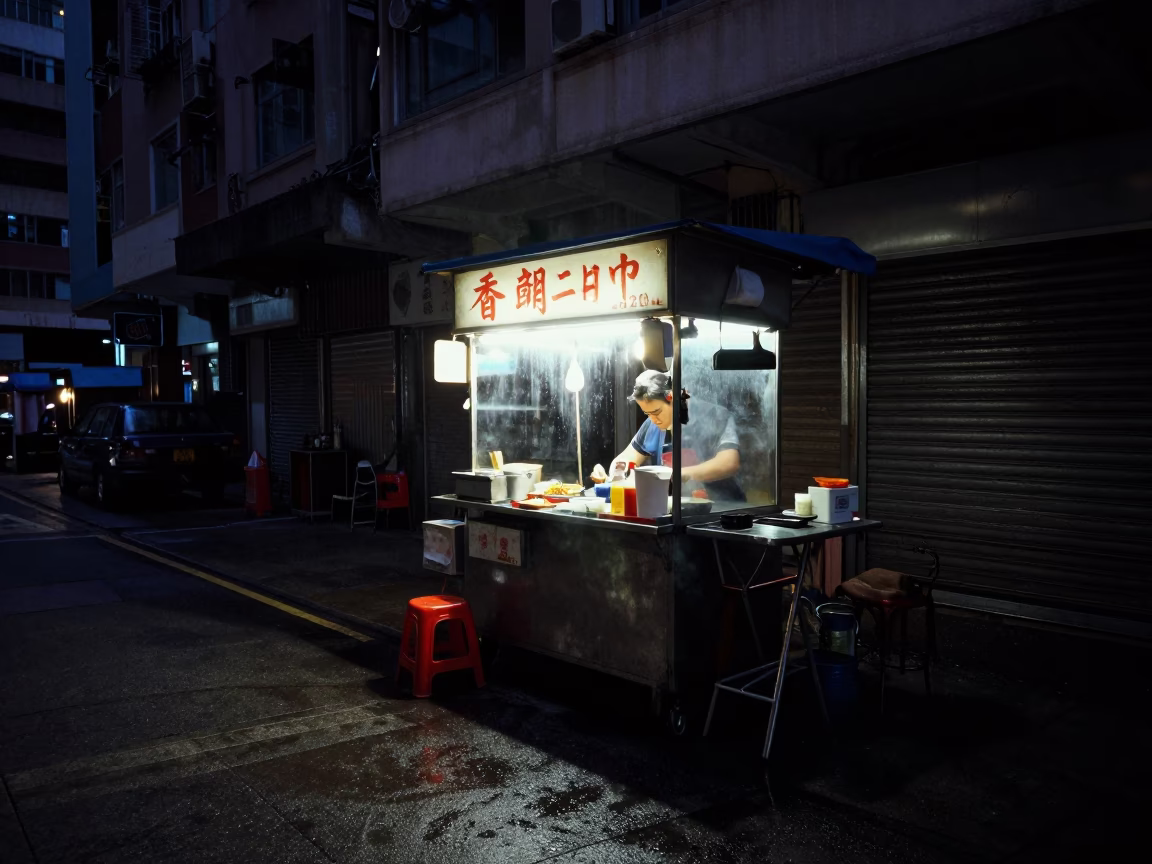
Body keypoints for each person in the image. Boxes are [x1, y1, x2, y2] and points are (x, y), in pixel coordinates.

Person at [594, 369, 745, 502]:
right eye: (648, 414)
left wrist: (678, 475)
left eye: (656, 412)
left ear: (672, 398)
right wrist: (614, 473)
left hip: (722, 510)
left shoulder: (716, 416)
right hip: (675, 510)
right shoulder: (652, 424)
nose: (653, 419)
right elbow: (625, 459)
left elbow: (729, 463)